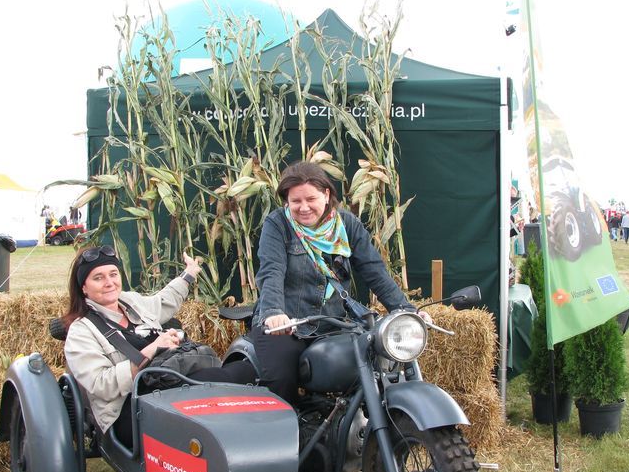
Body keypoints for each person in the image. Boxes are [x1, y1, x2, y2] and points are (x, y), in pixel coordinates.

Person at [252, 161, 432, 405]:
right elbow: (271, 270)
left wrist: (406, 311)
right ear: (287, 201)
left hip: (332, 323)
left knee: (370, 366)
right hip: (288, 325)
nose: (303, 207)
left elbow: (374, 272)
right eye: (295, 201)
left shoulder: (347, 225)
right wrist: (274, 312)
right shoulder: (278, 225)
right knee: (281, 381)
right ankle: (287, 438)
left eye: (310, 199)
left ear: (326, 195)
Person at [63, 246, 256, 446]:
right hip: (128, 408)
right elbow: (100, 386)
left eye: (113, 274)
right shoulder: (81, 331)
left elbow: (163, 302)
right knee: (219, 380)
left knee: (245, 371)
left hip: (166, 384)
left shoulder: (129, 301)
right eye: (98, 278)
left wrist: (188, 274)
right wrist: (152, 349)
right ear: (83, 287)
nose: (109, 282)